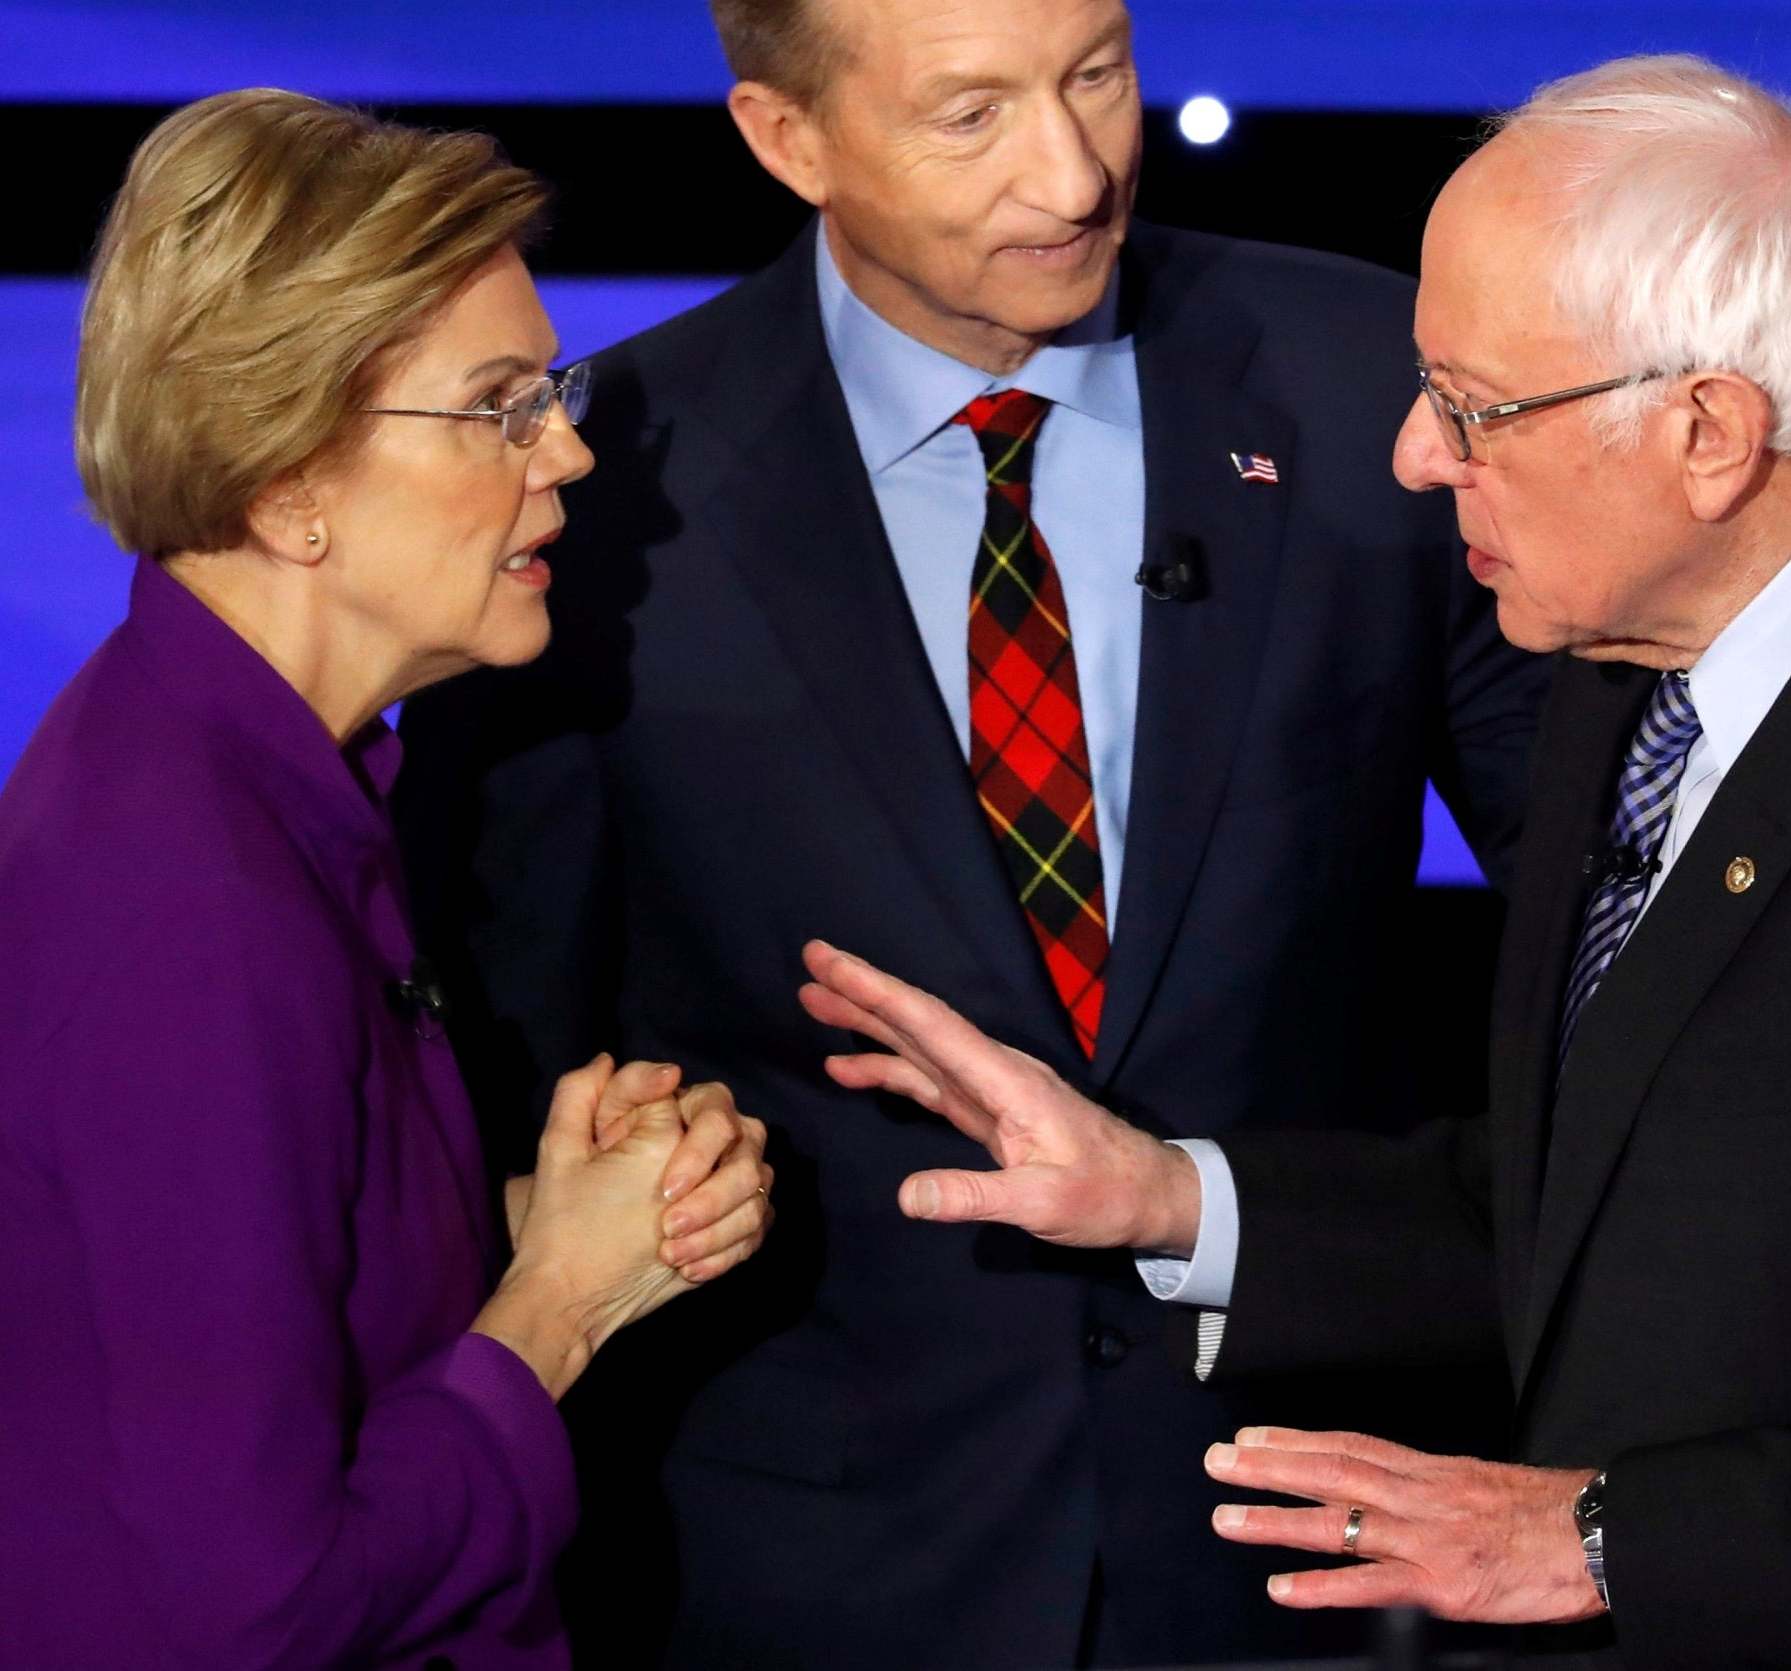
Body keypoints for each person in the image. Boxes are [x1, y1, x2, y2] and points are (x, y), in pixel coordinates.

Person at [794, 53, 1791, 1668]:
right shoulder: (1639, 654)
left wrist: (1601, 1537)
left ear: (1707, 434)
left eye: (1470, 407)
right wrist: (1160, 1193)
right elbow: (1605, 1196)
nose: (1412, 457)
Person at [390, 0, 1548, 1663]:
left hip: (1304, 1540)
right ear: (788, 139)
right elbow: (504, 1057)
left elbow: (1623, 932)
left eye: (1098, 77)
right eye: (970, 116)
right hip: (793, 1563)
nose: (1075, 174)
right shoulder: (600, 489)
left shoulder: (1377, 392)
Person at [0, 90, 776, 1669]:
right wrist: (562, 1298)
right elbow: (260, 1603)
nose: (566, 451)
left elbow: (233, 1298)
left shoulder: (232, 776)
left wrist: (546, 1215)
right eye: (498, 407)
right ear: (284, 484)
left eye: (543, 392)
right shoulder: (190, 899)